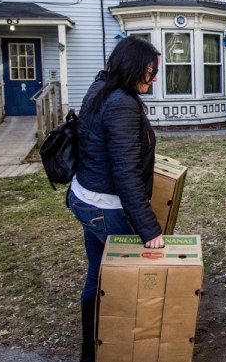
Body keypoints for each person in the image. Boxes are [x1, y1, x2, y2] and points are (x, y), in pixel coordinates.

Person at [67, 36, 163, 362]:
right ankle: (123, 346)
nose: (154, 77)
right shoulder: (122, 103)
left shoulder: (101, 88)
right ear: (134, 68)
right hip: (106, 207)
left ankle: (91, 352)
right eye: (151, 70)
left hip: (85, 198)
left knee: (98, 274)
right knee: (126, 284)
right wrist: (149, 230)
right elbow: (125, 174)